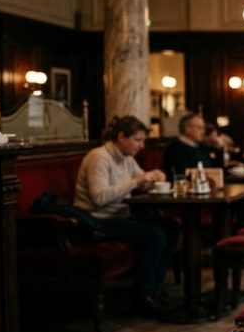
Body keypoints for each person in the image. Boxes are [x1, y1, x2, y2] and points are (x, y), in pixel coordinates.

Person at [74, 116, 180, 315]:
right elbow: (99, 197)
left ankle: (154, 289)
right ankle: (143, 297)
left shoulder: (127, 158)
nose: (142, 145)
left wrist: (155, 179)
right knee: (155, 234)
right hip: (96, 221)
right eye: (138, 140)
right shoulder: (99, 157)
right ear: (122, 136)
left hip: (119, 216)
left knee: (171, 226)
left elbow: (141, 182)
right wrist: (139, 179)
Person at [163, 113, 218, 179]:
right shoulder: (175, 148)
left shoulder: (201, 146)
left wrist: (218, 147)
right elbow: (182, 174)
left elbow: (215, 168)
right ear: (187, 128)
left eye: (204, 128)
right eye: (199, 128)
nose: (203, 132)